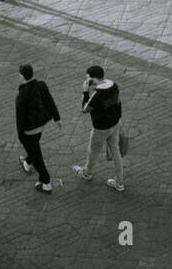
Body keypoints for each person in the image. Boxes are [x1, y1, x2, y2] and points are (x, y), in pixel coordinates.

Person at [72, 65, 125, 191]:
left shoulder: (97, 95)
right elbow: (118, 102)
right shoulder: (114, 85)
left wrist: (85, 92)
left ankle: (87, 173)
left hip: (101, 128)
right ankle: (120, 182)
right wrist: (119, 118)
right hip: (115, 123)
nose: (87, 81)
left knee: (93, 151)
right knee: (116, 151)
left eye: (88, 79)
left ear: (93, 79)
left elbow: (85, 109)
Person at [16, 64, 61, 194]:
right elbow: (50, 101)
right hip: (41, 125)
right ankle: (27, 163)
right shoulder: (41, 85)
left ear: (22, 76)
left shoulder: (21, 96)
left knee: (38, 157)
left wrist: (20, 135)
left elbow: (20, 119)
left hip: (28, 131)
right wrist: (57, 118)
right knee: (34, 148)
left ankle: (46, 183)